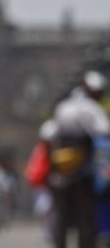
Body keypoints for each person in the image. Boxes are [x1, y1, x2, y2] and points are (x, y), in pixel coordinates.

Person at [49, 70, 110, 248]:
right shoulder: (91, 108)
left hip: (61, 167)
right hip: (83, 169)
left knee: (62, 213)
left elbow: (51, 133)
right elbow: (104, 130)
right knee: (86, 215)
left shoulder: (63, 106)